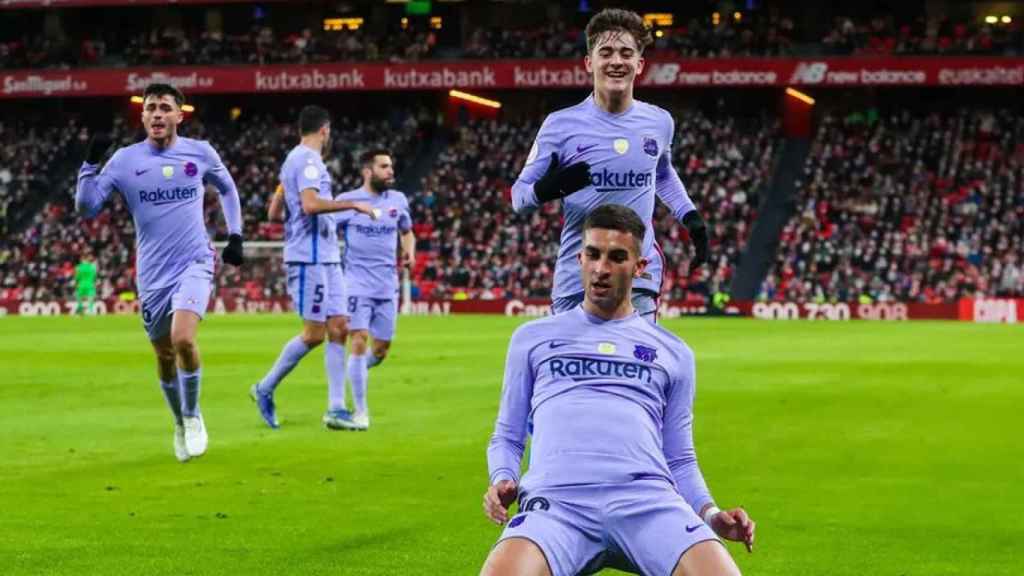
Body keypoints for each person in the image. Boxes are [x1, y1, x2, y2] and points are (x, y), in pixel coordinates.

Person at [481, 205, 754, 576]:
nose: (601, 268)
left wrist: (711, 514)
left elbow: (680, 457)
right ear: (579, 258)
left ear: (640, 267)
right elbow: (507, 436)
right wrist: (502, 478)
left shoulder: (673, 353)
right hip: (557, 504)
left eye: (616, 257)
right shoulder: (532, 339)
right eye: (592, 254)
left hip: (648, 504)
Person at [75, 83, 245, 462]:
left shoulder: (199, 153)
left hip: (194, 262)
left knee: (183, 339)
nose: (156, 113)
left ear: (179, 115)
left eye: (165, 107)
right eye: (150, 107)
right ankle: (179, 423)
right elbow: (87, 208)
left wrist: (235, 235)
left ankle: (193, 414)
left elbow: (228, 190)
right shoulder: (123, 160)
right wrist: (89, 165)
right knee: (164, 355)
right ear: (143, 116)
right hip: (152, 273)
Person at [510, 8, 709, 323]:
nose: (617, 60)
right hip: (578, 273)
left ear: (639, 64)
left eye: (626, 53)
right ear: (589, 62)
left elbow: (661, 174)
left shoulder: (659, 122)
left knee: (637, 365)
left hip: (638, 269)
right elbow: (518, 197)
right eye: (606, 52)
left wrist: (691, 218)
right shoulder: (560, 125)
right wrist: (546, 189)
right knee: (570, 367)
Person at [250, 105, 376, 430]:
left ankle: (336, 409)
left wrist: (283, 190)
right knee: (314, 333)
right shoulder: (307, 160)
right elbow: (309, 205)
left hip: (328, 257)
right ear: (325, 130)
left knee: (340, 327)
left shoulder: (292, 160)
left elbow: (274, 214)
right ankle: (264, 387)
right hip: (309, 258)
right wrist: (353, 204)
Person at [331, 149, 415, 431]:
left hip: (387, 286)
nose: (390, 171)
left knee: (380, 350)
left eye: (391, 166)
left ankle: (355, 372)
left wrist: (409, 252)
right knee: (359, 339)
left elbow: (406, 231)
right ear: (368, 171)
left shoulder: (398, 200)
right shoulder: (347, 202)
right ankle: (361, 412)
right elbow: (326, 229)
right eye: (384, 166)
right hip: (355, 284)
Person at [74, 248, 98, 315]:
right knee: (91, 298)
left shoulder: (78, 268)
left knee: (79, 297)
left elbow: (76, 278)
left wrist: (76, 285)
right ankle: (90, 311)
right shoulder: (92, 267)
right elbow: (94, 277)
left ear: (82, 259)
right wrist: (94, 283)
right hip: (90, 284)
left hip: (81, 285)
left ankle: (80, 309)